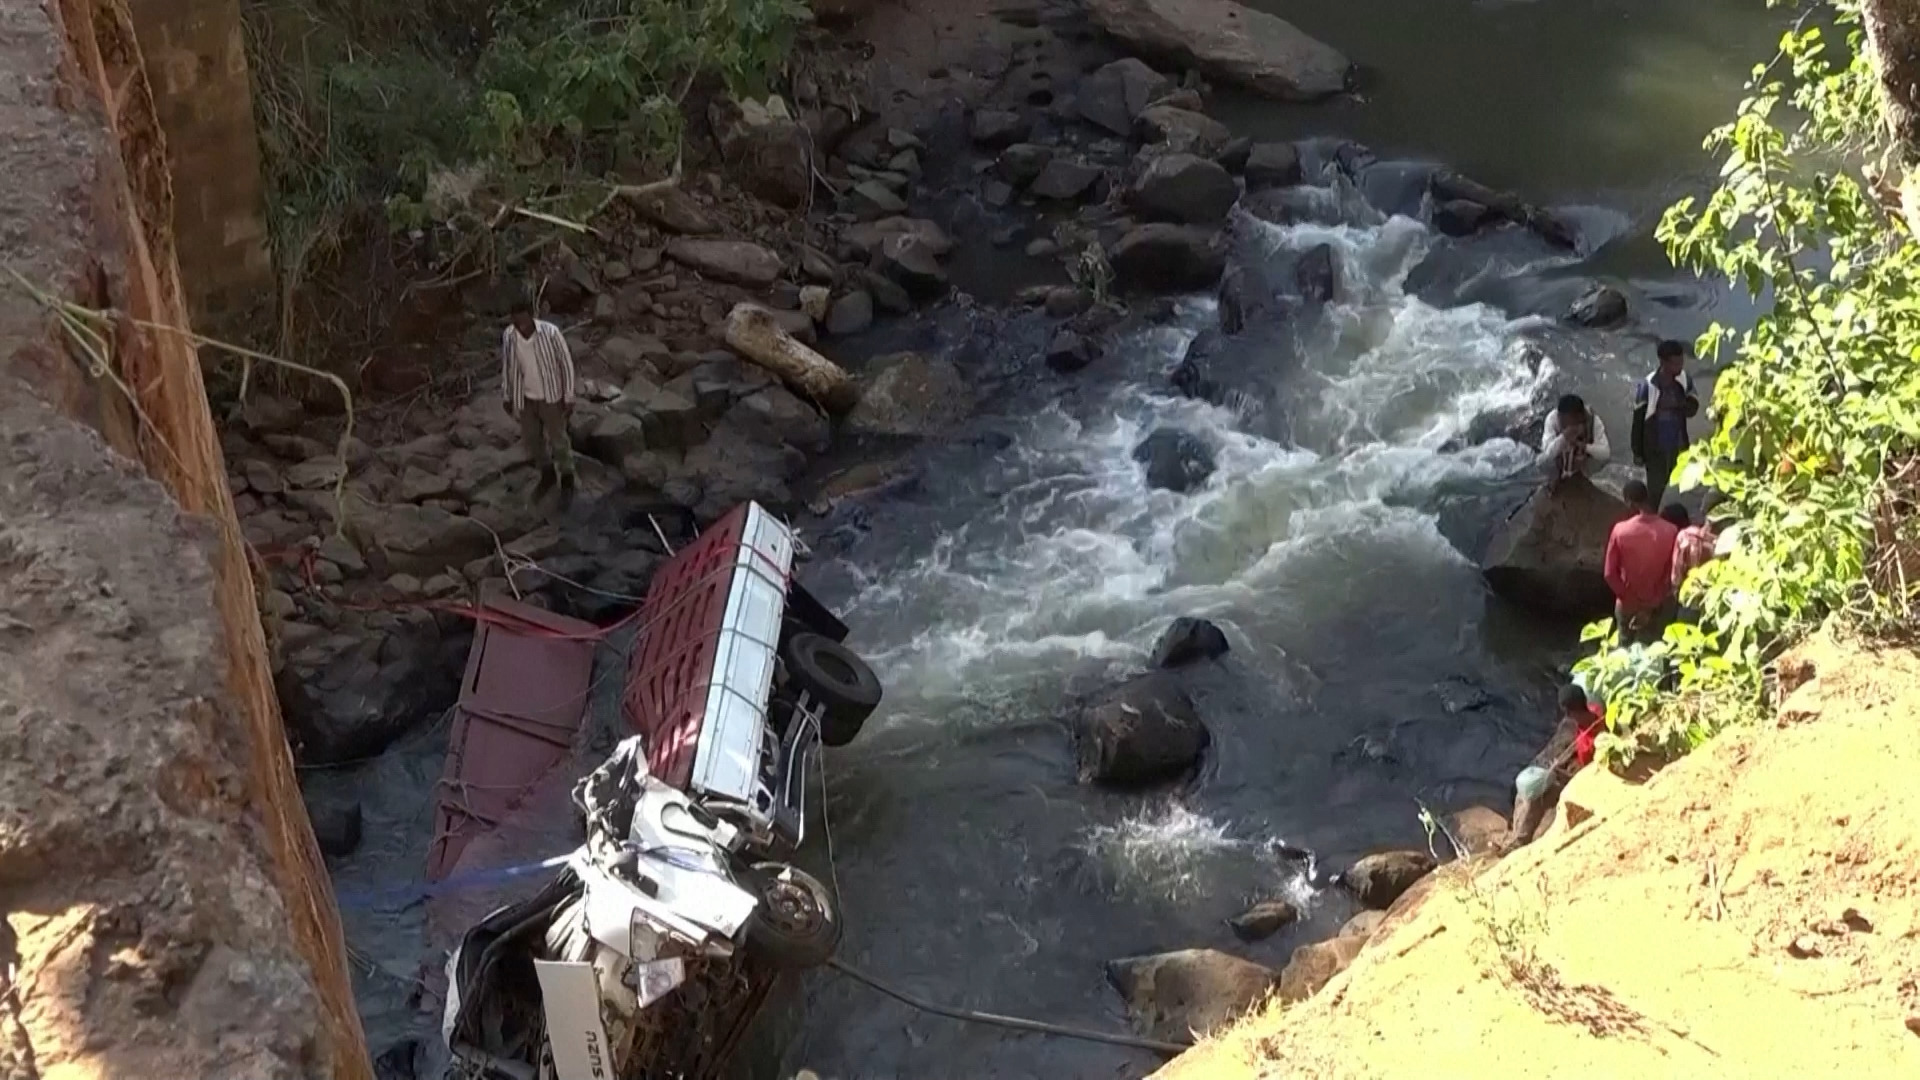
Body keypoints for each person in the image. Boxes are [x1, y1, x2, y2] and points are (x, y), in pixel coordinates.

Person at [1503, 683, 1606, 850]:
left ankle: (1520, 841)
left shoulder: (1593, 740)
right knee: (1526, 787)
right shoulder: (1594, 710)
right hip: (1575, 764)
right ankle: (1515, 832)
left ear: (1568, 712)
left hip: (1582, 777)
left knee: (1535, 798)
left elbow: (1588, 773)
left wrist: (1557, 774)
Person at [501, 299, 577, 505]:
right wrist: (507, 395)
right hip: (525, 397)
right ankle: (547, 473)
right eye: (516, 322)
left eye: (523, 320)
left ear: (531, 315)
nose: (520, 326)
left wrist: (569, 395)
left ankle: (568, 478)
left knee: (558, 439)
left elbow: (566, 364)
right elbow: (508, 366)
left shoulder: (550, 333)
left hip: (551, 396)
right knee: (533, 439)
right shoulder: (509, 336)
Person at [1604, 479, 1680, 645]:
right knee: (1654, 652)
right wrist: (1651, 606)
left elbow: (1610, 574)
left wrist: (1630, 600)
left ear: (1629, 502)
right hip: (1658, 606)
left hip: (1628, 605)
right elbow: (1671, 574)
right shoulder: (1671, 530)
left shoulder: (1620, 530)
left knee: (1624, 651)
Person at [1631, 340, 1701, 506]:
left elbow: (1693, 409)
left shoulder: (1684, 380)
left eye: (1681, 362)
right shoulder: (1648, 386)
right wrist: (1637, 452)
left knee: (1679, 487)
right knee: (1656, 489)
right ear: (1663, 362)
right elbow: (1638, 420)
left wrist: (1682, 404)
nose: (1680, 367)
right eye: (1676, 363)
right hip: (1655, 447)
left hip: (1678, 444)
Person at [1538, 393, 1612, 490]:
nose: (1568, 425)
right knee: (1540, 462)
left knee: (1602, 462)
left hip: (1582, 460)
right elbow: (1547, 454)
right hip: (1559, 460)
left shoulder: (1593, 421)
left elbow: (1606, 453)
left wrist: (1584, 446)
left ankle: (1583, 479)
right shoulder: (1552, 419)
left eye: (1572, 422)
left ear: (1580, 417)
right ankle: (1555, 479)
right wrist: (1564, 437)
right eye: (1564, 421)